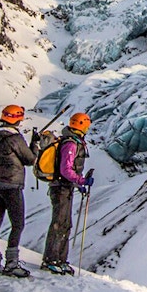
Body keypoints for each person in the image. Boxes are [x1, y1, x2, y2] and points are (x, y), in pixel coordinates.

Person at [0, 104, 36, 277]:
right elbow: (30, 159)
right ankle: (11, 263)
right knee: (17, 223)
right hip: (12, 185)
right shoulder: (15, 139)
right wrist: (35, 145)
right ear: (18, 119)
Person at [41, 112, 94, 276]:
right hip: (61, 188)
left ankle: (59, 259)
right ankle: (52, 259)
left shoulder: (71, 141)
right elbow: (66, 170)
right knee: (60, 223)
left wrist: (77, 183)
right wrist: (81, 181)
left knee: (64, 223)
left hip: (63, 187)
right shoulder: (71, 144)